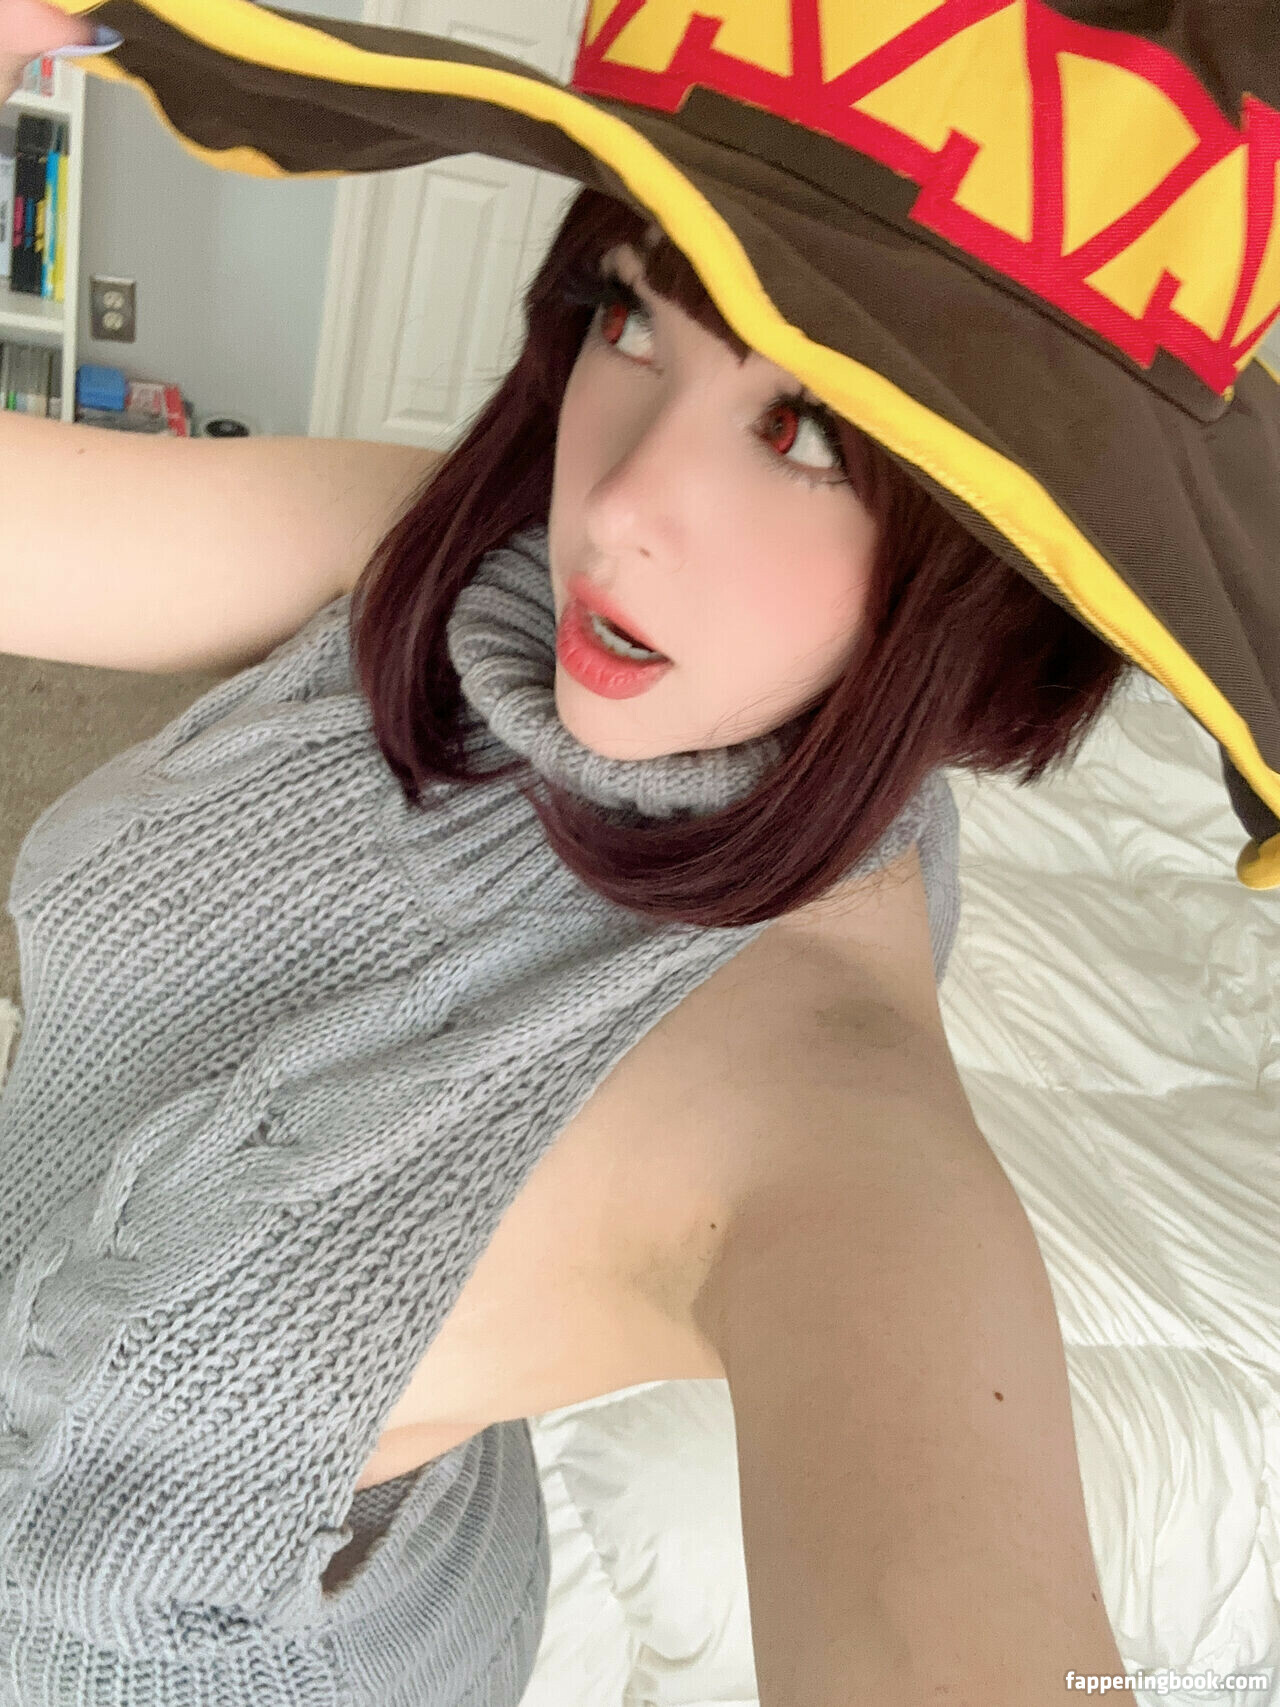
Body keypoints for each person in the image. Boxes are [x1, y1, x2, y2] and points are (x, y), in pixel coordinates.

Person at [4, 2, 1276, 1704]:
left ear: (1006, 557)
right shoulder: (452, 564)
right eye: (633, 314)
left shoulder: (825, 1099)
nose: (614, 505)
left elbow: (958, 1627)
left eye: (809, 433)